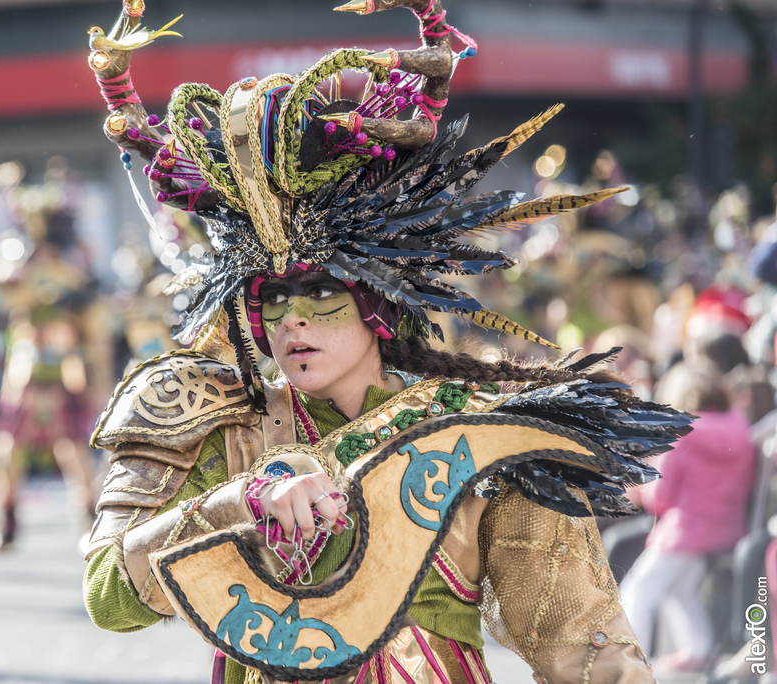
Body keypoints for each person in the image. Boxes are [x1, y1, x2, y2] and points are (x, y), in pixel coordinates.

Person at [81, 1, 693, 682]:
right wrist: (238, 504)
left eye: (321, 292)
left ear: (376, 299)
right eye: (272, 299)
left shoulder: (478, 431)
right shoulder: (216, 421)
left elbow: (582, 645)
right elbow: (109, 598)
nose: (292, 321)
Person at [0, 158, 109, 553]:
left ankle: (90, 520)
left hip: (67, 369)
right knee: (6, 450)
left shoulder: (77, 271)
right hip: (26, 370)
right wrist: (32, 271)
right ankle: (5, 521)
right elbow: (4, 290)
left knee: (74, 451)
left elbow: (95, 326)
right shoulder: (17, 264)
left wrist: (100, 381)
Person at [619, 361, 757, 673]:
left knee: (638, 591)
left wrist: (639, 492)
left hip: (685, 531)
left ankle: (630, 661)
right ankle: (698, 649)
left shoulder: (681, 433)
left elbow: (661, 496)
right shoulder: (740, 428)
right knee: (681, 588)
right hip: (726, 530)